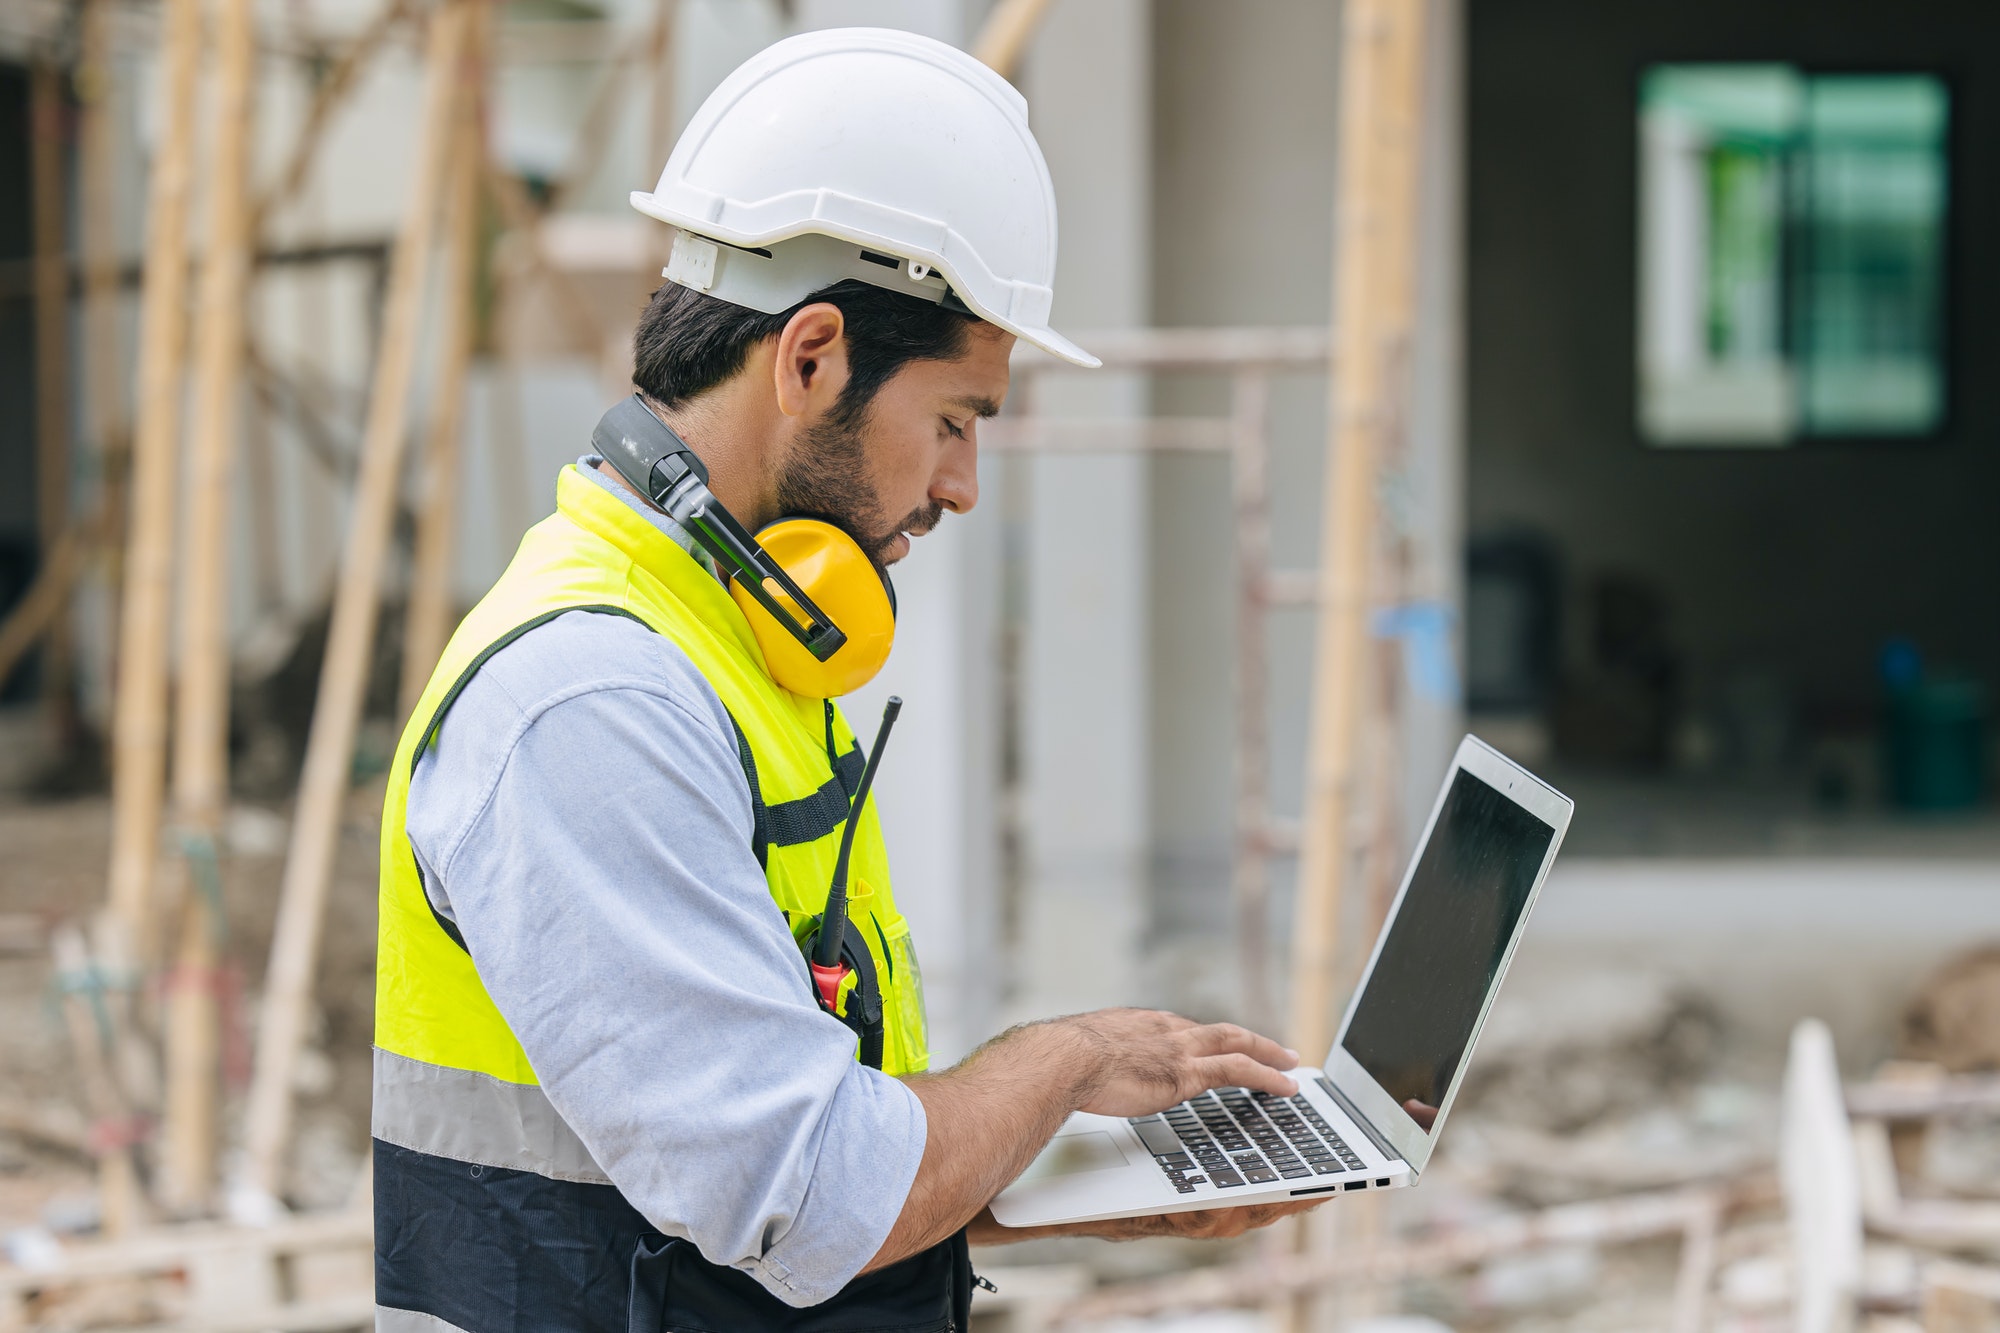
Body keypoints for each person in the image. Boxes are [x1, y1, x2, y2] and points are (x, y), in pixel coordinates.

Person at [372, 28, 1317, 1331]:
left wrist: (1068, 1174)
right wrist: (1069, 1057)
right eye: (955, 420)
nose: (962, 487)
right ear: (810, 358)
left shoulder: (731, 652)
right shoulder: (591, 705)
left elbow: (780, 1139)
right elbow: (806, 1194)